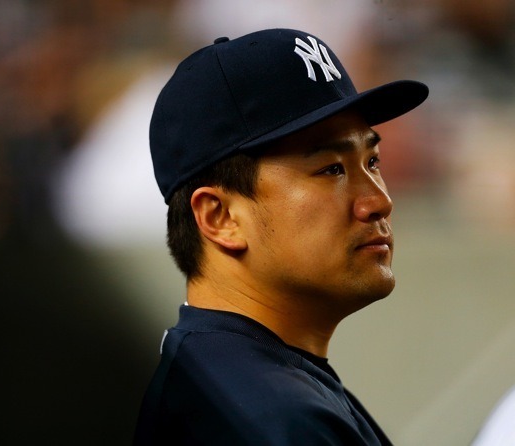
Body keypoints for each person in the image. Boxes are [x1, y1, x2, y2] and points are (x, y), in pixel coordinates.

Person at [134, 28, 429, 445]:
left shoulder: (243, 380)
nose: (378, 201)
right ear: (220, 217)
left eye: (373, 160)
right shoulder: (267, 418)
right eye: (332, 169)